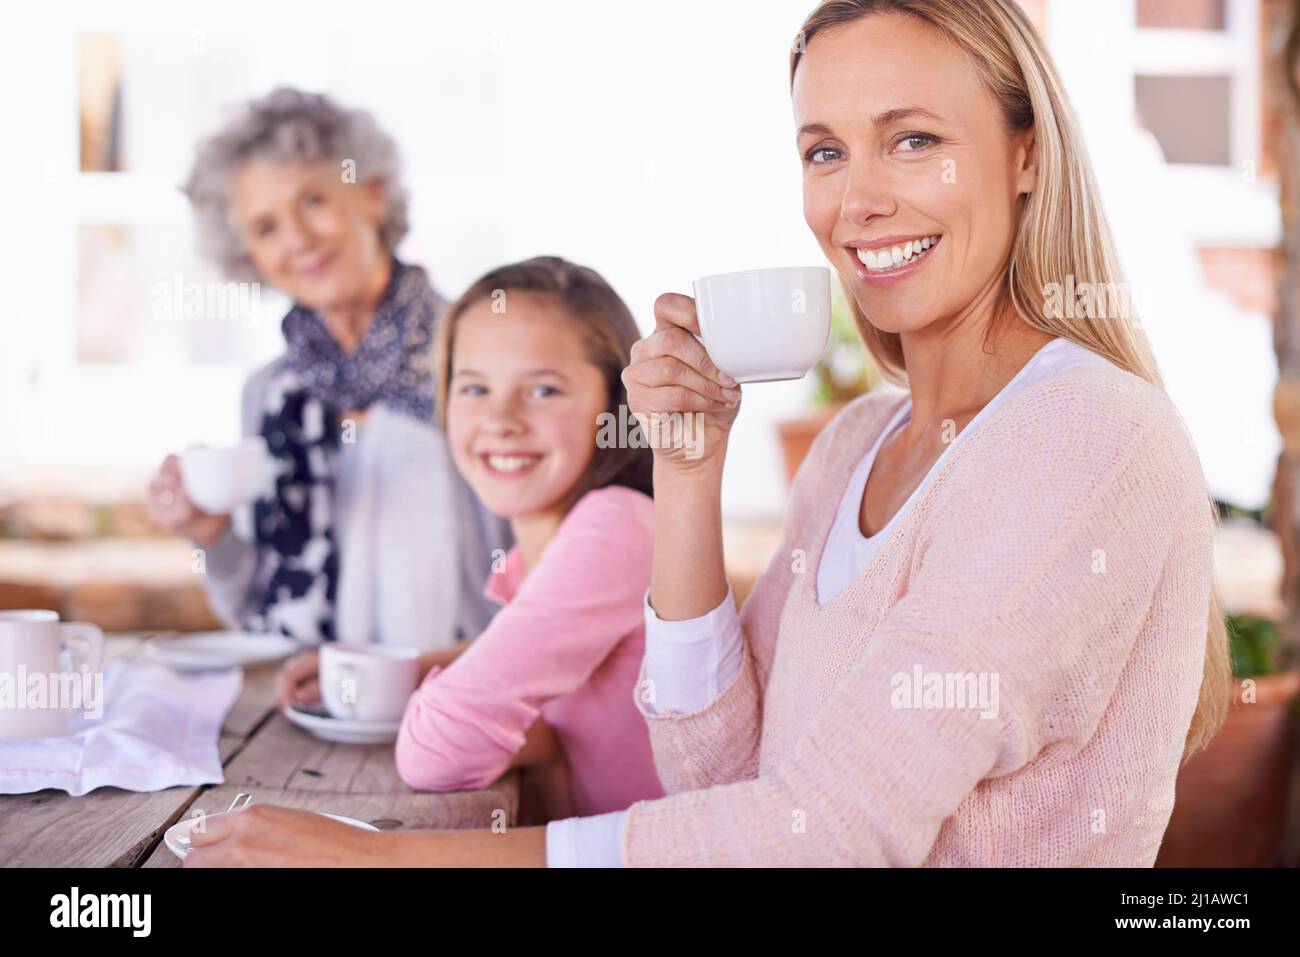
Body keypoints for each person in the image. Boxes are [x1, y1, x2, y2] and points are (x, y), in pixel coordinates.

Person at [184, 0, 1228, 867]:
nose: (856, 199)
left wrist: (389, 856)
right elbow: (721, 776)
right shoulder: (854, 443)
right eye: (825, 150)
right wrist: (684, 471)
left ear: (1025, 157)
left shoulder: (1084, 433)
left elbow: (829, 833)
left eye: (913, 140)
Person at [275, 256, 664, 824]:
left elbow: (436, 750)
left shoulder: (616, 530)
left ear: (613, 402)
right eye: (475, 387)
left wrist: (543, 746)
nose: (500, 419)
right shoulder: (554, 542)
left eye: (543, 391)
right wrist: (401, 671)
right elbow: (530, 660)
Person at [146, 88, 509, 651]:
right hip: (316, 709)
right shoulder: (270, 394)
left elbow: (545, 576)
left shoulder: (480, 360)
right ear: (249, 255)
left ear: (372, 195)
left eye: (313, 201)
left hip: (471, 704)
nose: (298, 240)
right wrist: (210, 534)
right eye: (266, 228)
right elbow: (255, 612)